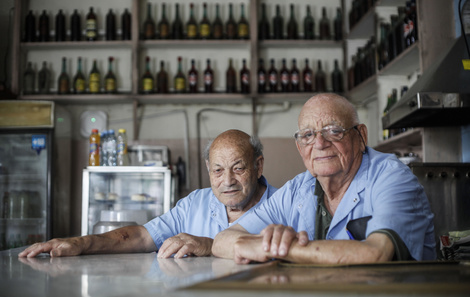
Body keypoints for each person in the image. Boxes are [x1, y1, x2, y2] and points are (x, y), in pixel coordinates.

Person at [212, 93, 436, 265]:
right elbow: (222, 241)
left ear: (361, 137)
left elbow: (376, 253)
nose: (319, 144)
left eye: (333, 131)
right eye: (308, 135)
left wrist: (280, 248)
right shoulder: (297, 189)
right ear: (300, 148)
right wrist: (258, 243)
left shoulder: (392, 177)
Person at [19, 129, 277, 259]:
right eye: (218, 170)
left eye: (239, 168)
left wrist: (210, 247)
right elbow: (142, 236)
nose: (227, 181)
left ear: (258, 166)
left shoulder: (284, 205)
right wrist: (82, 243)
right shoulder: (195, 203)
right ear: (209, 170)